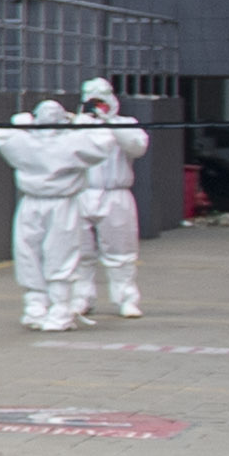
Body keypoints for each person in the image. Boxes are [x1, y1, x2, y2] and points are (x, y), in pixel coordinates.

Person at [2, 98, 98, 333]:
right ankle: (39, 306)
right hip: (41, 202)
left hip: (52, 203)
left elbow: (3, 134)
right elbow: (101, 143)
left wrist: (23, 122)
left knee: (56, 254)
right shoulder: (72, 143)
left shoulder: (23, 140)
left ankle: (56, 308)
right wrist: (82, 122)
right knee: (33, 253)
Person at [76, 78, 148, 319]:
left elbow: (137, 147)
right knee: (79, 252)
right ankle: (81, 298)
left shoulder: (127, 124)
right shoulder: (79, 125)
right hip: (82, 193)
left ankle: (126, 298)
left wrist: (110, 123)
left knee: (121, 252)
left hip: (116, 195)